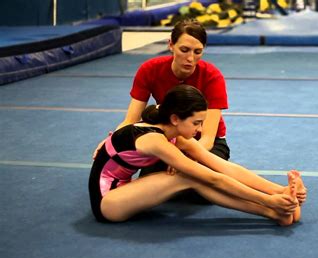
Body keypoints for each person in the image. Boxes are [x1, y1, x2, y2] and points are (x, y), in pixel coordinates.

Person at [89, 85, 306, 226]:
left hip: (125, 190)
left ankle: (277, 208)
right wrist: (269, 201)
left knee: (196, 174)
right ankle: (271, 211)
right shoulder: (153, 140)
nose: (200, 129)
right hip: (108, 202)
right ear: (175, 119)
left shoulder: (174, 134)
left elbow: (223, 167)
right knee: (188, 176)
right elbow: (212, 178)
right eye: (196, 123)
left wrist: (280, 190)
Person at [93, 19, 230, 202]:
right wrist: (111, 141)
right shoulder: (150, 70)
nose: (190, 58)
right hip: (169, 140)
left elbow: (207, 137)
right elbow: (130, 121)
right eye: (184, 50)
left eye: (198, 52)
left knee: (197, 187)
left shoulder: (212, 76)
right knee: (155, 183)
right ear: (171, 45)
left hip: (204, 143)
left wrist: (185, 160)